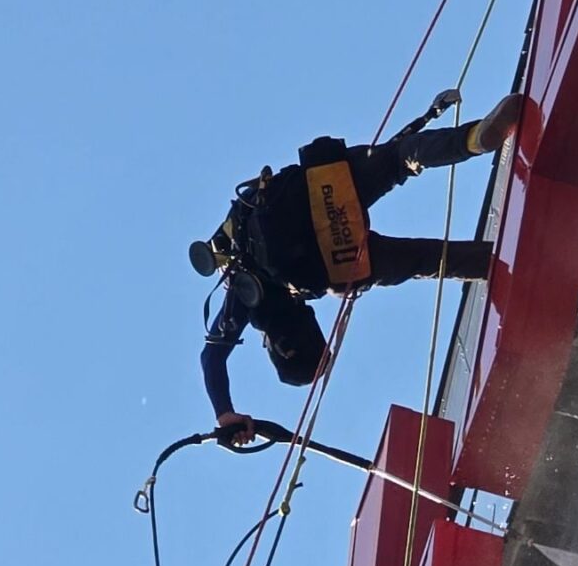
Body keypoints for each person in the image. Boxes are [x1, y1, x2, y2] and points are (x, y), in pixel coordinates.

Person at [190, 89, 522, 441]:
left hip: (337, 266)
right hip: (318, 191)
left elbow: (214, 356)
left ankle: (508, 263)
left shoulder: (244, 297)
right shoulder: (241, 252)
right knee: (401, 158)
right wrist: (222, 410)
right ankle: (474, 139)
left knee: (429, 260)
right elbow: (210, 359)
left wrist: (225, 414)